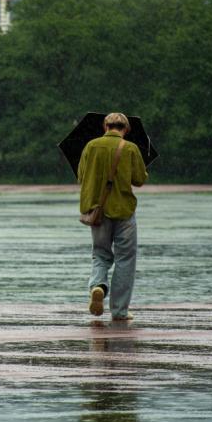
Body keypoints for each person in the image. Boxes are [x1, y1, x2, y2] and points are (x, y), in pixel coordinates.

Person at [77, 112, 148, 321]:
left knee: (100, 254)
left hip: (97, 210)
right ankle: (119, 311)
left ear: (105, 126)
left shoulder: (90, 146)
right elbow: (139, 180)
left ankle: (98, 286)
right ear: (125, 129)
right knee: (125, 259)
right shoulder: (131, 148)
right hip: (124, 211)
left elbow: (81, 175)